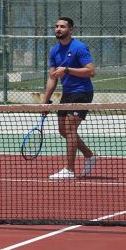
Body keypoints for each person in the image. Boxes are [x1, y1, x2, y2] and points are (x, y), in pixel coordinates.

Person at [42, 16, 97, 180]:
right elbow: (52, 78)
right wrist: (45, 102)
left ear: (70, 30)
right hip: (67, 93)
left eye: (63, 26)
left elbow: (91, 71)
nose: (58, 29)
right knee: (63, 131)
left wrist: (67, 70)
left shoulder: (79, 47)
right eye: (56, 26)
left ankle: (70, 170)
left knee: (71, 129)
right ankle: (90, 155)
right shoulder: (54, 51)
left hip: (82, 92)